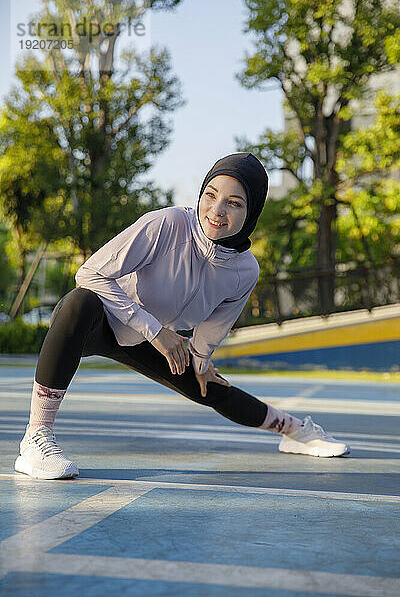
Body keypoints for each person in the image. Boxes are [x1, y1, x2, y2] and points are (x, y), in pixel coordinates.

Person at [14, 152, 350, 480]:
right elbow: (90, 274)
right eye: (211, 195)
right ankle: (36, 439)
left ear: (251, 212)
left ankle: (297, 432)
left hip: (154, 340)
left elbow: (212, 330)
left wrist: (201, 363)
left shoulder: (245, 270)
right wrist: (154, 330)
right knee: (79, 302)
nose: (217, 211)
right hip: (101, 321)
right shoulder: (168, 224)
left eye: (234, 203)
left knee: (209, 386)